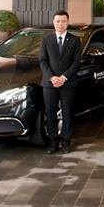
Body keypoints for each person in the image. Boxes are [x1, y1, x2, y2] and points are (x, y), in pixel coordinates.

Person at [39, 10, 81, 154]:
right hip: (49, 83)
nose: (60, 24)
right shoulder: (46, 39)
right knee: (51, 112)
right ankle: (53, 141)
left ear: (67, 22)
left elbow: (76, 62)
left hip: (68, 83)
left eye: (63, 21)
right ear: (53, 22)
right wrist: (52, 77)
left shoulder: (75, 40)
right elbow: (43, 61)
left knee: (67, 112)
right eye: (57, 21)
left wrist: (63, 78)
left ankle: (66, 141)